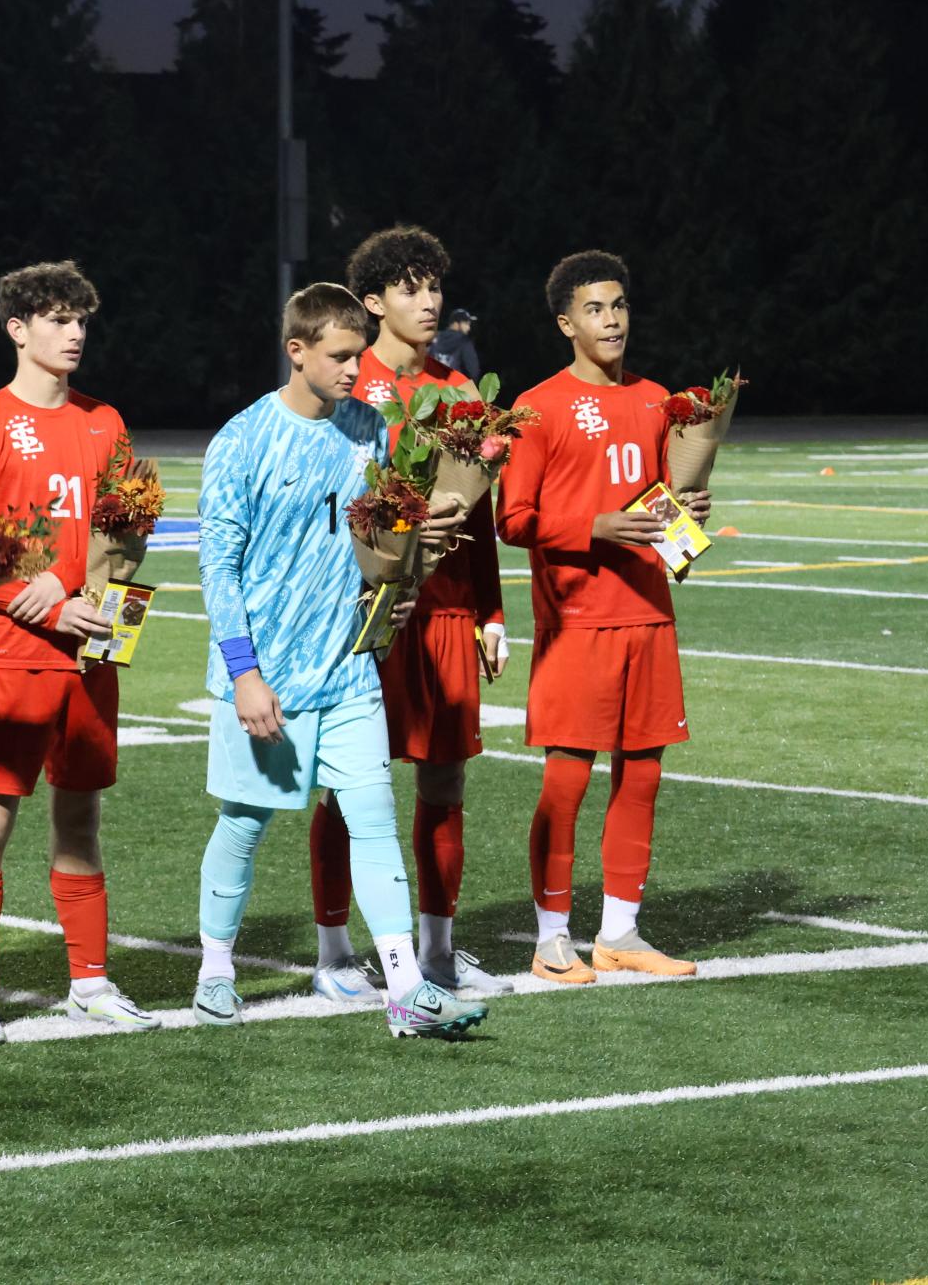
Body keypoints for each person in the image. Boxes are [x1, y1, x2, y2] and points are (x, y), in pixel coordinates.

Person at [192, 282, 488, 1040]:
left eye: (359, 354)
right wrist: (243, 673)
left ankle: (405, 988)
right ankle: (214, 973)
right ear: (297, 351)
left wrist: (412, 565)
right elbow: (218, 571)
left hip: (350, 668)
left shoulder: (368, 429)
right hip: (268, 677)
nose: (356, 370)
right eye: (340, 356)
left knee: (373, 819)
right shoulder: (241, 438)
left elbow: (384, 537)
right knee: (246, 823)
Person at [0, 261, 155, 1045]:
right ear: (17, 329)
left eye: (80, 321)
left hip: (90, 657)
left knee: (82, 819)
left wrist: (105, 613)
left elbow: (128, 543)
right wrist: (42, 601)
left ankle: (89, 984)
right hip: (13, 655)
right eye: (57, 320)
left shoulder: (107, 421)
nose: (72, 335)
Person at [307, 227, 512, 1006]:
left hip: (447, 611)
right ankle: (332, 951)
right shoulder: (345, 389)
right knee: (346, 782)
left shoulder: (462, 393)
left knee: (444, 779)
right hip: (360, 613)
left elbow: (478, 518)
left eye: (434, 287)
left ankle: (438, 950)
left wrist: (490, 611)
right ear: (372, 302)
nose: (428, 302)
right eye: (409, 288)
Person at [495, 249, 710, 986]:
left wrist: (689, 517)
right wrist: (593, 527)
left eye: (617, 305)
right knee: (566, 781)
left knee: (643, 775)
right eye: (593, 308)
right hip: (577, 621)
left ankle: (619, 931)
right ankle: (551, 937)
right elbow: (512, 518)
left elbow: (660, 501)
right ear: (565, 323)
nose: (610, 319)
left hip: (648, 613)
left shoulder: (657, 400)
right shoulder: (538, 406)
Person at [428, 307, 481, 380]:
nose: (468, 328)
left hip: (433, 387)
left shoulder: (434, 338)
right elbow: (473, 371)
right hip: (455, 389)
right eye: (466, 324)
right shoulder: (464, 341)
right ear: (456, 323)